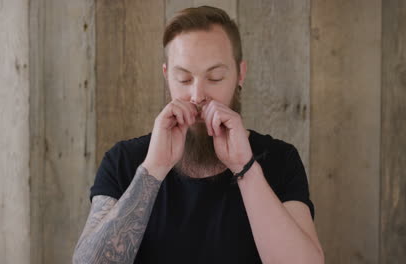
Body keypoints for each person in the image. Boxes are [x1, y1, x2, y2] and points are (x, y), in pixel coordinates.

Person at [73, 6, 324, 264]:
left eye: (215, 77)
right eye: (183, 79)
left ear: (240, 74)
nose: (197, 95)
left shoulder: (280, 160)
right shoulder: (123, 161)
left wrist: (245, 167)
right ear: (167, 76)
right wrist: (154, 169)